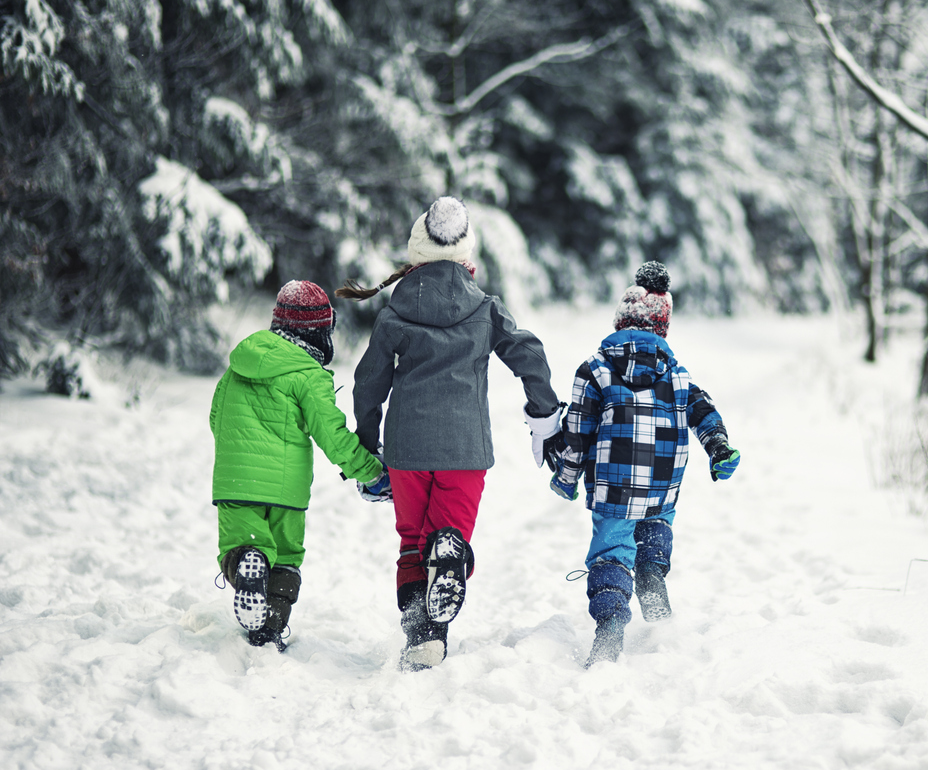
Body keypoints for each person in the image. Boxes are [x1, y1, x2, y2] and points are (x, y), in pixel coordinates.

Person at [338, 196, 562, 672]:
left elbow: (368, 383)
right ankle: (451, 554)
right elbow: (530, 355)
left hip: (406, 450)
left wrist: (365, 442)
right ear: (466, 257)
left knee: (411, 542)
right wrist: (543, 415)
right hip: (465, 449)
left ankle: (423, 635)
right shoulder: (485, 310)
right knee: (448, 535)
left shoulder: (395, 314)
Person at [549, 261, 741, 667]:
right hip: (662, 484)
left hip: (614, 488)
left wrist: (567, 478)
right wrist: (719, 448)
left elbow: (578, 432)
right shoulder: (676, 372)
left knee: (612, 551)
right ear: (662, 329)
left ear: (620, 322)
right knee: (655, 524)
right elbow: (704, 411)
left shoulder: (595, 368)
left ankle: (611, 627)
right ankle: (653, 585)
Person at [210, 280, 391, 651]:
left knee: (242, 545)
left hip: (234, 482)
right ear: (319, 331)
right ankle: (268, 631)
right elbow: (333, 435)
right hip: (286, 489)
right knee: (286, 559)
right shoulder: (308, 375)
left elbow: (216, 418)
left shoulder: (238, 365)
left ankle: (247, 561)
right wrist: (371, 471)